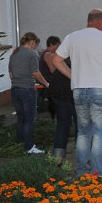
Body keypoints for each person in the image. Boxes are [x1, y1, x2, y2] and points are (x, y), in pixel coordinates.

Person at [52, 8, 102, 176]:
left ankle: (82, 171)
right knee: (100, 133)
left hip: (78, 89)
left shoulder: (72, 37)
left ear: (88, 21)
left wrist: (72, 75)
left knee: (83, 132)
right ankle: (97, 172)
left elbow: (56, 60)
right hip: (101, 89)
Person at [8, 32, 49, 154]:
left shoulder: (14, 53)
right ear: (32, 42)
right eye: (35, 44)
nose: (35, 47)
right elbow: (35, 73)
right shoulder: (32, 53)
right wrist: (46, 84)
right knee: (30, 119)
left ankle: (20, 143)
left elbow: (11, 75)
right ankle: (29, 147)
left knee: (21, 118)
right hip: (27, 90)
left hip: (15, 89)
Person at [42, 36, 76, 164]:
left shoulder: (64, 58)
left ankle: (57, 158)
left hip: (56, 92)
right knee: (80, 126)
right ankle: (83, 157)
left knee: (62, 124)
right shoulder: (77, 60)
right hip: (67, 93)